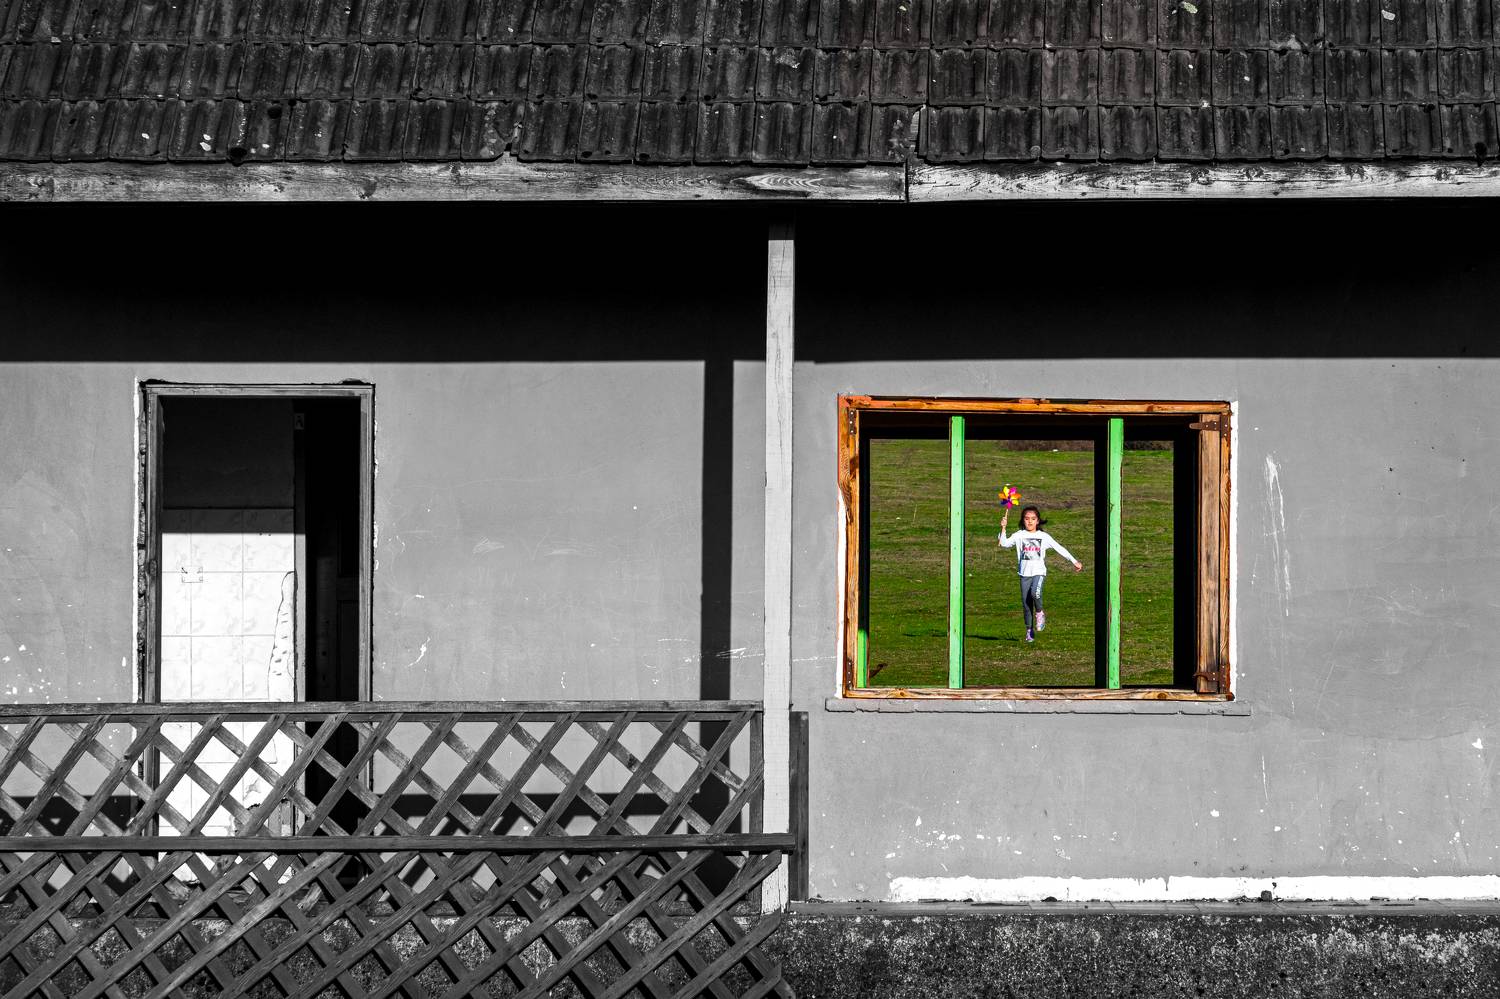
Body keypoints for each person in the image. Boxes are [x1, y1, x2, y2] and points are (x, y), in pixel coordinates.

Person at [999, 504, 1083, 643]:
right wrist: (1003, 527)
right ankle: (1029, 630)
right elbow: (1004, 543)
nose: (1030, 521)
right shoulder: (1019, 535)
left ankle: (1040, 613)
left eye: (1033, 519)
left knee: (1035, 593)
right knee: (1026, 605)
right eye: (1027, 519)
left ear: (1037, 521)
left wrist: (1074, 561)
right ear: (1023, 520)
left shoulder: (1043, 536)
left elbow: (1059, 548)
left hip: (1038, 572)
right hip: (1024, 574)